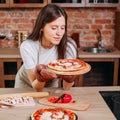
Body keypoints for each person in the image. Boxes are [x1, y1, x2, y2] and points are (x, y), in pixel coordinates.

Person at [14, 4, 78, 92]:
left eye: (62, 28)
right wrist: (42, 78)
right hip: (25, 85)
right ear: (41, 27)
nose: (59, 33)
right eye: (54, 28)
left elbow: (66, 88)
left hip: (51, 86)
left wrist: (69, 79)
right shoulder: (28, 46)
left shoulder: (69, 47)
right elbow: (36, 87)